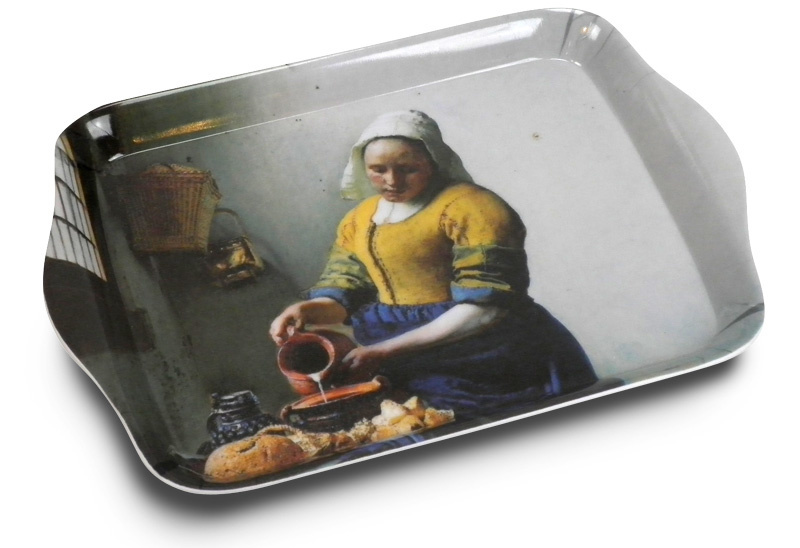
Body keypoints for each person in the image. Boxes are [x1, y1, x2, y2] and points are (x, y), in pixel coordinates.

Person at [270, 110, 597, 424]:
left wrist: (383, 351)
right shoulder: (360, 218)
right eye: (378, 170)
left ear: (433, 162)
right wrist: (307, 310)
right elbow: (346, 287)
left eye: (408, 169)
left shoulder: (473, 206)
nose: (392, 181)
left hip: (484, 351)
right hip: (396, 353)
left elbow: (488, 308)